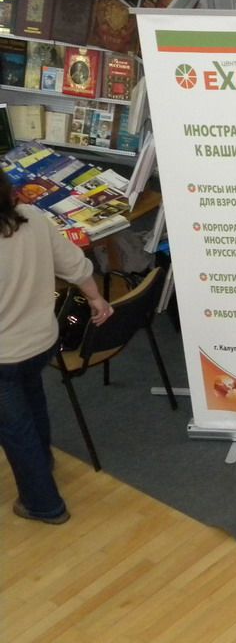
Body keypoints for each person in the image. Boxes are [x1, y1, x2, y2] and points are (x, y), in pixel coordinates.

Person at [0, 166, 114, 525]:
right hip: (42, 343)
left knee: (15, 430)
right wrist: (96, 299)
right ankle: (44, 459)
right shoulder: (32, 217)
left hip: (4, 356)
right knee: (32, 399)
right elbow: (75, 265)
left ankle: (44, 505)